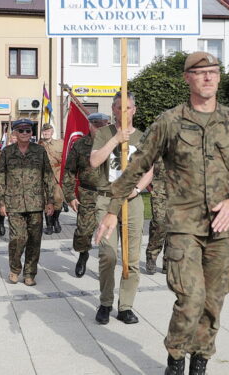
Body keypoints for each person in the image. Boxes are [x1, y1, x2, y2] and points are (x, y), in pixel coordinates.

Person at [94, 51, 229, 375]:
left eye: (213, 71)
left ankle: (199, 364)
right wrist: (113, 209)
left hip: (221, 228)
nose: (208, 77)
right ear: (187, 78)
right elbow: (137, 166)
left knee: (214, 303)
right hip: (183, 227)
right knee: (190, 300)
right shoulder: (169, 121)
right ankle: (175, 361)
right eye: (200, 72)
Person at [89, 91, 154, 325]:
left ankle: (125, 305)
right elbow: (95, 161)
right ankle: (105, 302)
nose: (123, 112)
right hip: (107, 199)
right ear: (113, 110)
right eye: (118, 107)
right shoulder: (104, 134)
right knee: (108, 254)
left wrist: (137, 189)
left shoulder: (143, 137)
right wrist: (116, 139)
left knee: (131, 257)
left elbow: (149, 170)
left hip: (132, 200)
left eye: (127, 108)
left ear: (134, 110)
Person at [0, 119, 55, 286]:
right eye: (21, 131)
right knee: (17, 238)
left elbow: (48, 176)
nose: (24, 134)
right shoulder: (7, 152)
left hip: (36, 203)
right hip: (13, 203)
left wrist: (50, 200)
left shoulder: (39, 151)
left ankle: (30, 273)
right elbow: (0, 178)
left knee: (34, 240)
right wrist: (1, 202)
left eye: (28, 130)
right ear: (15, 133)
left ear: (31, 133)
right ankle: (15, 269)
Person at [62, 112, 110, 278]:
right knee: (83, 232)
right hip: (87, 193)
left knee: (107, 234)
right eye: (96, 125)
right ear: (89, 125)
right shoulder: (80, 145)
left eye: (103, 125)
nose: (99, 128)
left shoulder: (115, 144)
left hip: (109, 195)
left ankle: (105, 267)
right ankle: (83, 254)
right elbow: (69, 171)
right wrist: (69, 195)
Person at [38, 123, 65, 235]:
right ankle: (49, 225)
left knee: (58, 200)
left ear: (52, 132)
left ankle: (56, 220)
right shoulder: (38, 145)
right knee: (46, 200)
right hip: (44, 175)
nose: (46, 133)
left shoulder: (60, 144)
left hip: (57, 175)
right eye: (44, 131)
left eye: (48, 131)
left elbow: (65, 158)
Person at [146, 157, 167, 274]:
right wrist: (149, 186)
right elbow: (145, 163)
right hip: (159, 188)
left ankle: (169, 260)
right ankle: (152, 255)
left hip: (179, 190)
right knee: (159, 222)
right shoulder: (157, 143)